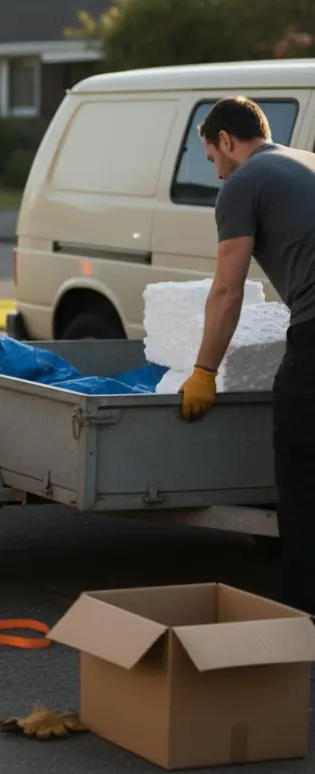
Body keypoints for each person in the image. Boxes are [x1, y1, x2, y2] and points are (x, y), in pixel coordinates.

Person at [179, 96, 315, 615]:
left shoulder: (244, 183)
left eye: (212, 158)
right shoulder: (304, 161)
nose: (216, 173)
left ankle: (302, 619)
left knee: (302, 472)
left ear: (227, 141)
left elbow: (227, 291)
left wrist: (203, 372)